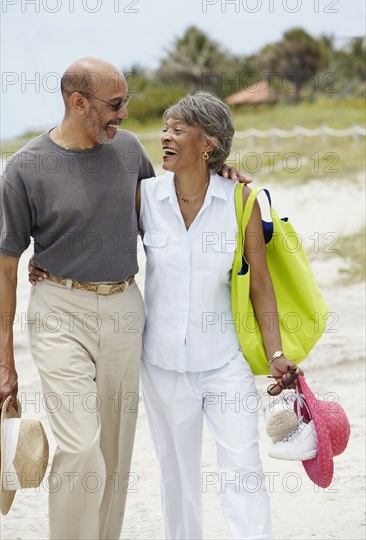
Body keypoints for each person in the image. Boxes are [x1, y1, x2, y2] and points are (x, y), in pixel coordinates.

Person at [0, 59, 249, 539]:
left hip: (123, 308)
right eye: (115, 105)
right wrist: (4, 360)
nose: (125, 114)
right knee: (80, 447)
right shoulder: (26, 167)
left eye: (125, 103)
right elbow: (6, 267)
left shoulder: (129, 149)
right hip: (58, 310)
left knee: (114, 454)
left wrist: (220, 175)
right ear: (78, 103)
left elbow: (166, 207)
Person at [136, 92, 300, 539]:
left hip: (224, 363)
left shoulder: (240, 201)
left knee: (242, 468)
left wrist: (276, 353)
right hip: (161, 364)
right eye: (165, 128)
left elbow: (261, 285)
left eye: (177, 130)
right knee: (177, 476)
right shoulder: (145, 198)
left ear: (208, 143)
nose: (165, 137)